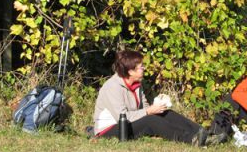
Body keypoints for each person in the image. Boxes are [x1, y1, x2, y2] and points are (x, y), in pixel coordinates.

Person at [93, 49, 223, 145]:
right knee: (152, 121)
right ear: (130, 71)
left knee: (166, 113)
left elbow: (145, 108)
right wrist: (149, 111)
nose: (144, 68)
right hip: (109, 130)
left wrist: (157, 106)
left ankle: (204, 133)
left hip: (128, 123)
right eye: (140, 67)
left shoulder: (137, 83)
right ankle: (191, 139)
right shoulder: (112, 87)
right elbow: (123, 117)